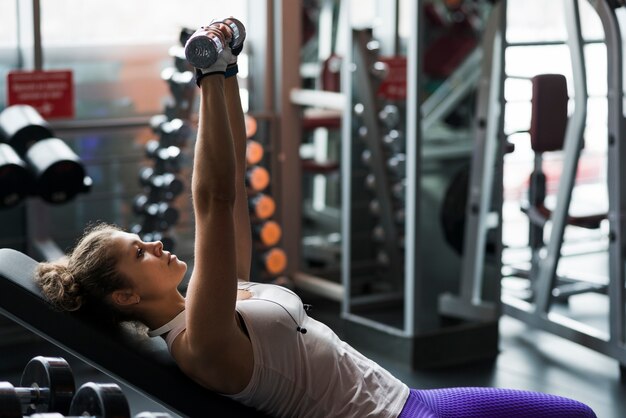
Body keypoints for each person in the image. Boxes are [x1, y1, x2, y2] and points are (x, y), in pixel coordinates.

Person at [34, 19, 597, 418]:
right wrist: (205, 80)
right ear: (128, 298)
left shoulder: (211, 303)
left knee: (578, 414)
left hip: (416, 400)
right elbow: (214, 200)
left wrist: (226, 73)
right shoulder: (199, 339)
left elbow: (233, 210)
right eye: (139, 254)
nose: (155, 245)